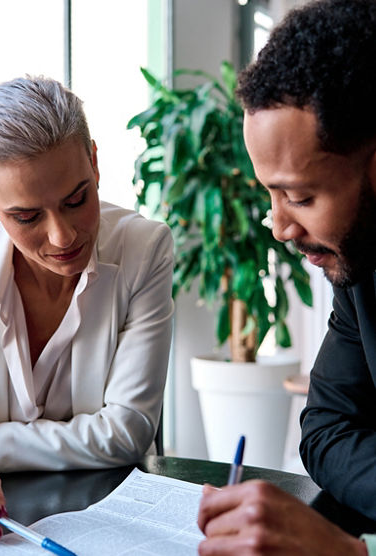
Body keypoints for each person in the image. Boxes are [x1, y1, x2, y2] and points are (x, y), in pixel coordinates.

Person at [0, 76, 174, 541]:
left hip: (114, 519)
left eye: (77, 199)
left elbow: (129, 429)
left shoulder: (144, 247)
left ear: (94, 161)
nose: (63, 237)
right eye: (27, 216)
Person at [197, 0, 376, 553]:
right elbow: (327, 429)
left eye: (299, 196)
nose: (278, 226)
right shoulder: (359, 272)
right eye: (269, 194)